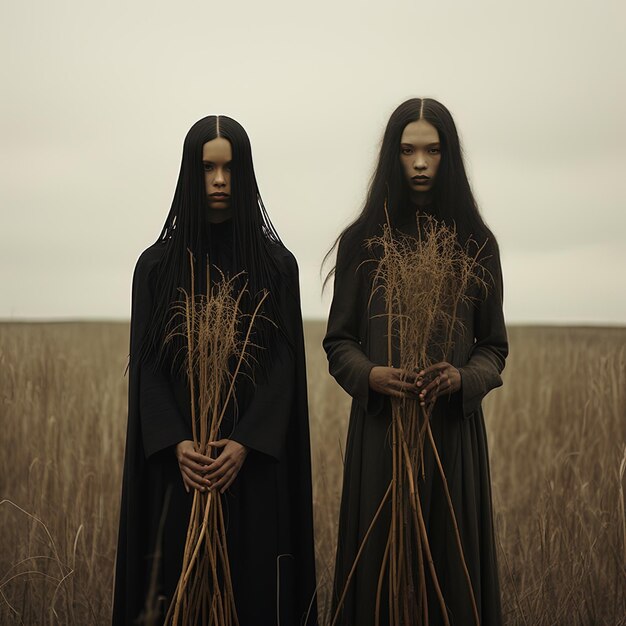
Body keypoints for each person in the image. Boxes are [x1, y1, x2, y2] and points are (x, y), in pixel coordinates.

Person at [113, 115, 317, 626]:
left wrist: (246, 442)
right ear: (191, 173)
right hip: (180, 475)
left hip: (254, 471)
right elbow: (148, 368)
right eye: (208, 167)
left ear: (244, 174)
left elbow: (284, 365)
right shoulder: (157, 266)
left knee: (255, 595)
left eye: (229, 168)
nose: (219, 180)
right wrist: (177, 443)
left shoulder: (276, 265)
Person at [323, 98, 507, 625]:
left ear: (449, 157)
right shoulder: (363, 242)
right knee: (379, 577)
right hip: (381, 436)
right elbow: (339, 343)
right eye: (408, 151)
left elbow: (494, 348)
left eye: (433, 150)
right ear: (392, 157)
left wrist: (461, 377)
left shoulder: (477, 243)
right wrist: (372, 375)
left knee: (452, 576)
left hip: (453, 437)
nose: (421, 163)